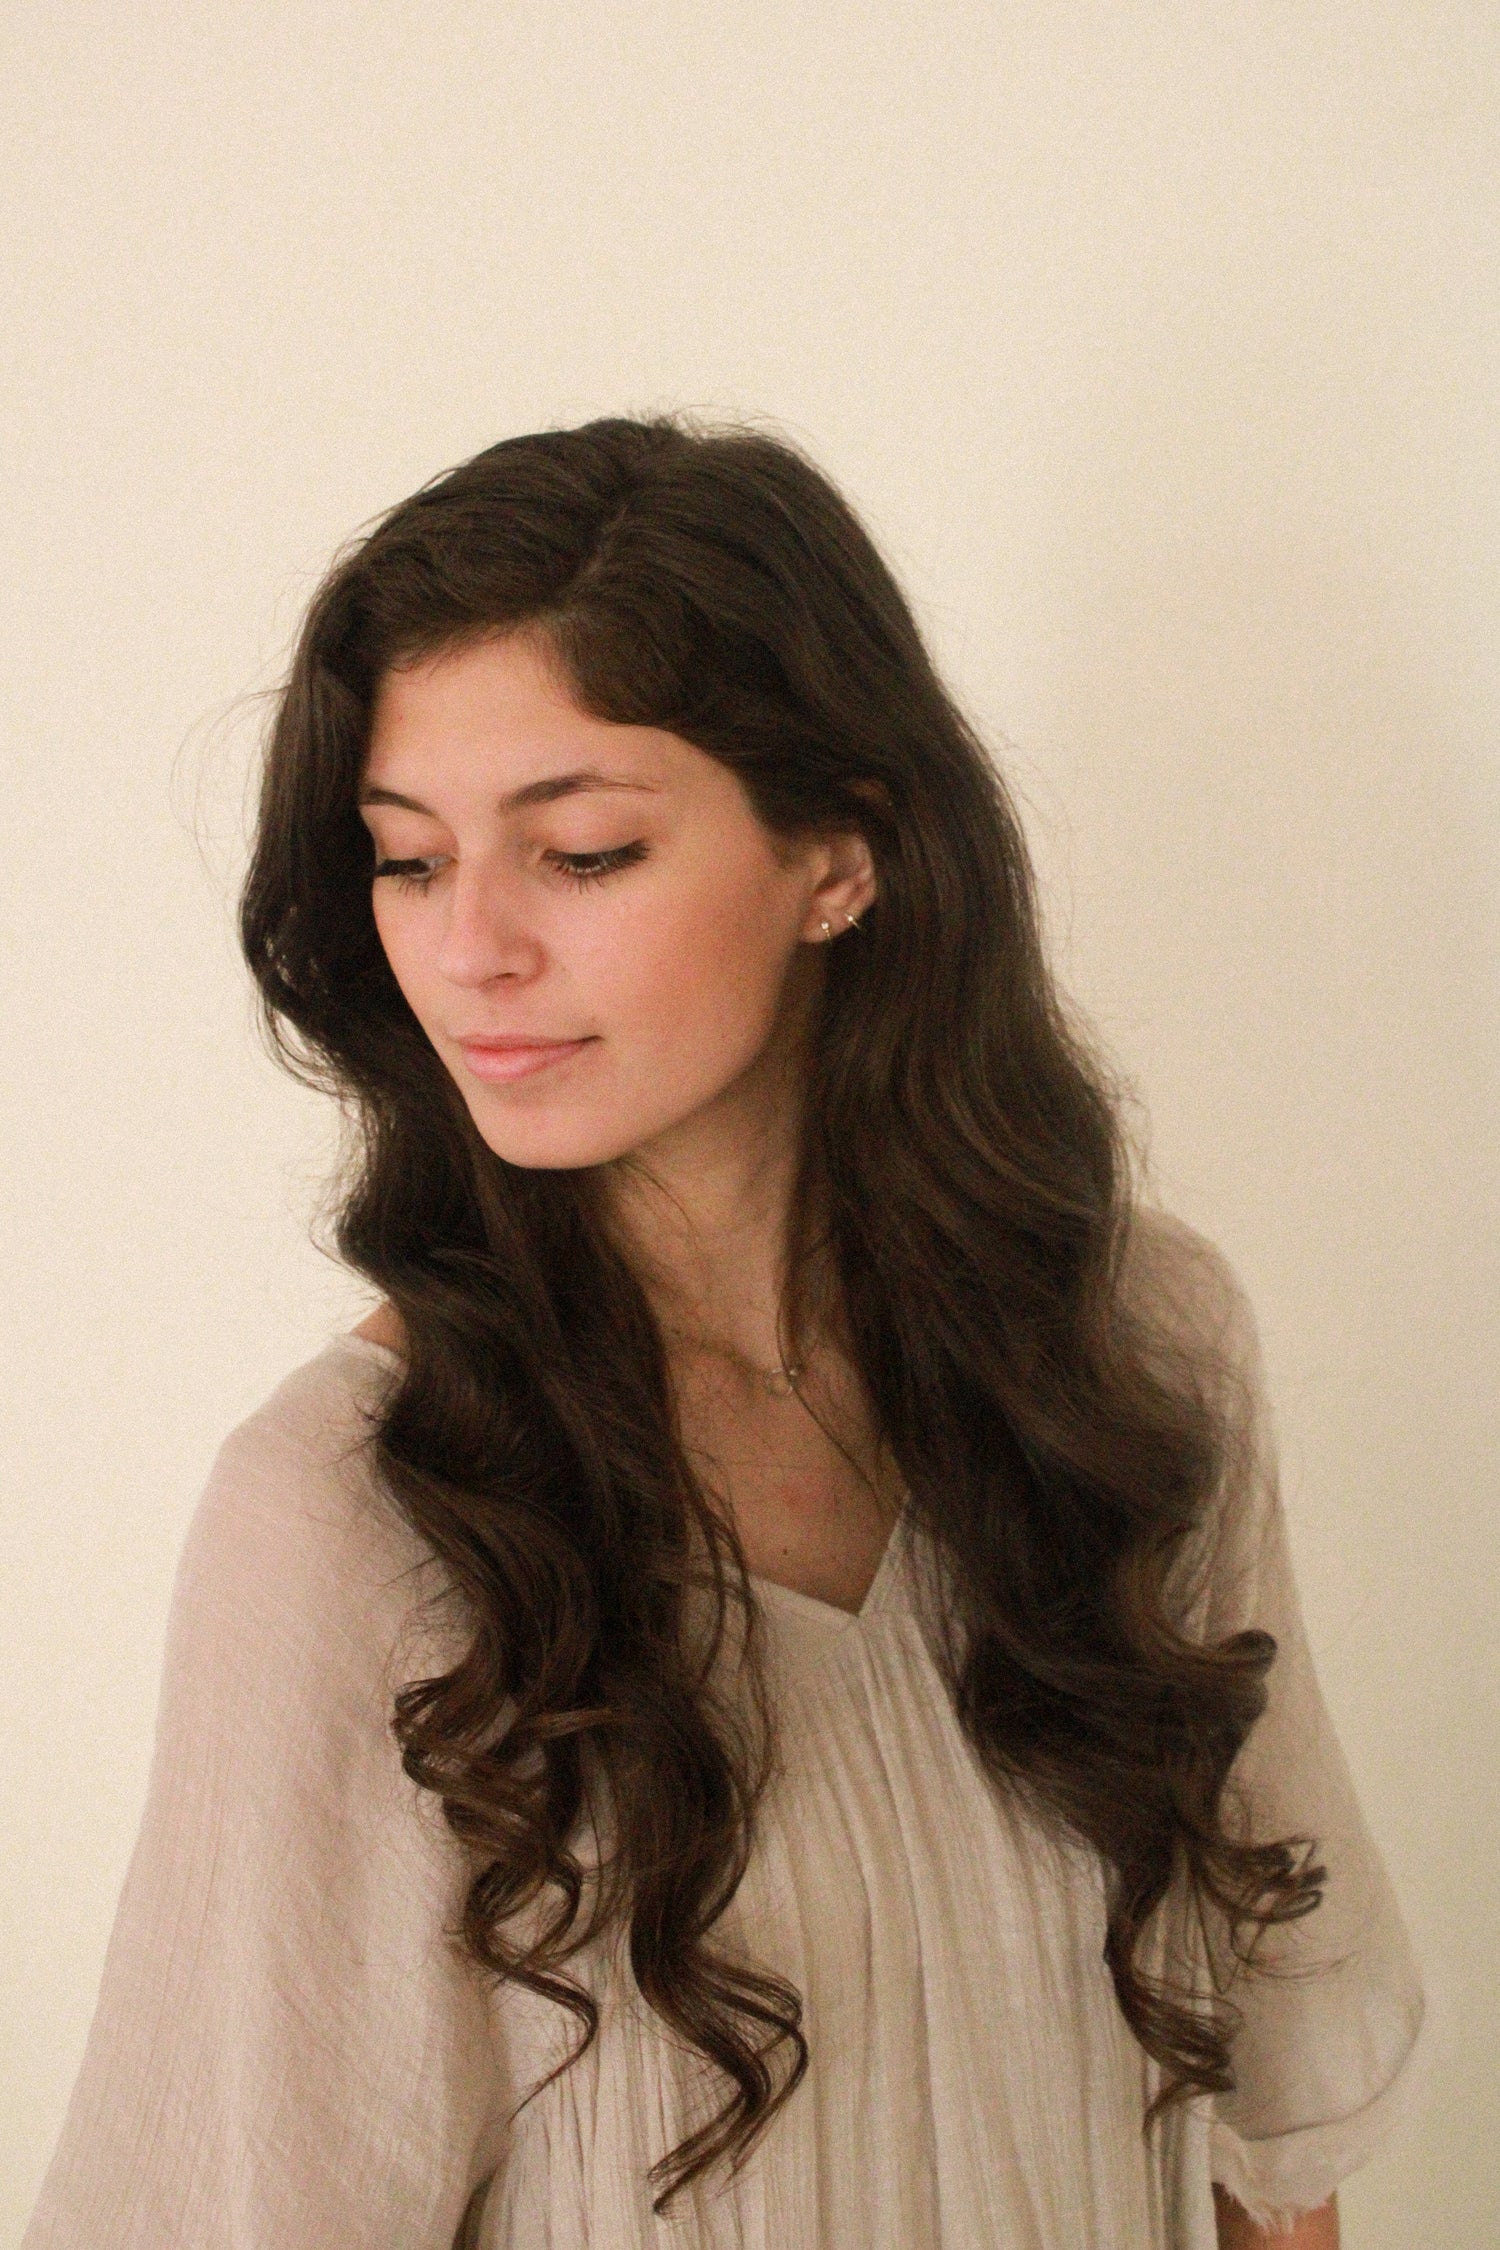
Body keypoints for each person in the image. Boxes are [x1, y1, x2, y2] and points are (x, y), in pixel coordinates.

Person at [24, 416, 1426, 2250]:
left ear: (839, 855)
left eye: (583, 852)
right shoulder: (352, 1520)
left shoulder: (1133, 1355)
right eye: (405, 862)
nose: (470, 951)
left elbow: (1273, 2109)